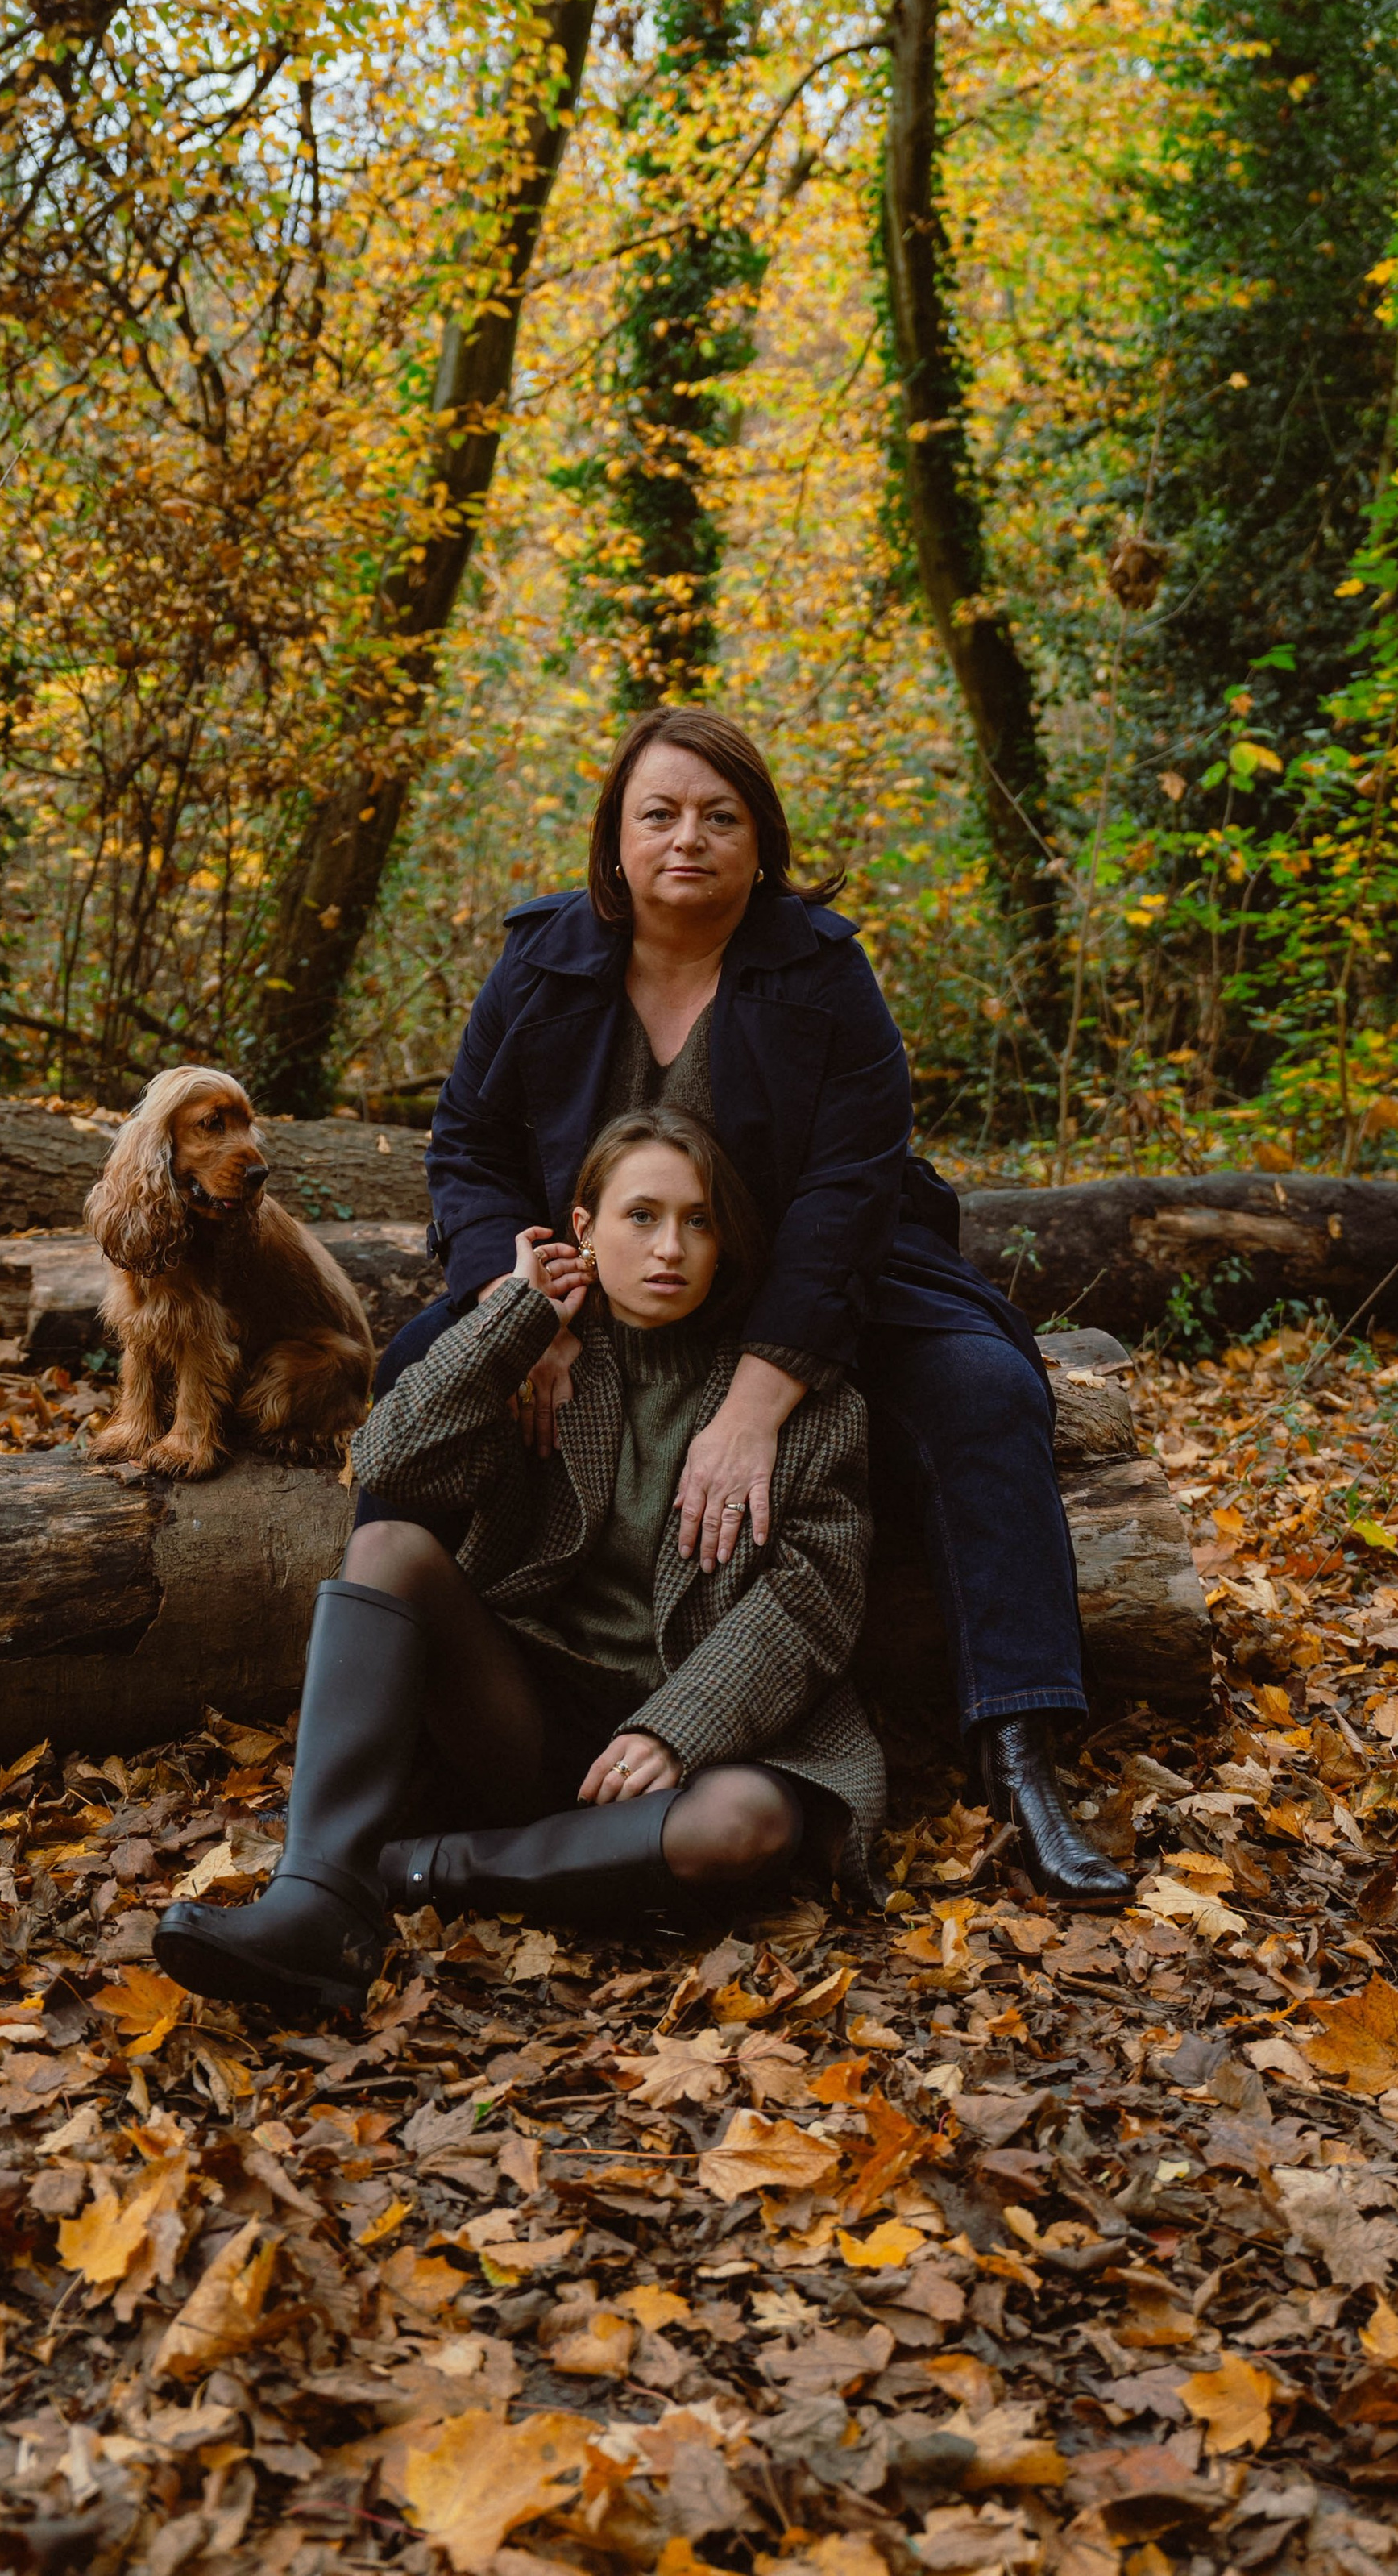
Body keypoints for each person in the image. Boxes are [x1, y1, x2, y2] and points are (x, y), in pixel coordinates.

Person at [356, 705, 1129, 1908]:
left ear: (759, 841)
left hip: (820, 1265)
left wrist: (766, 1392)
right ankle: (406, 1735)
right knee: (418, 1368)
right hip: (598, 1267)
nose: (688, 840)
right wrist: (524, 1311)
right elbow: (468, 1143)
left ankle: (1019, 1746)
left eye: (721, 817)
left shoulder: (819, 971)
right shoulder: (543, 959)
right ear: (615, 840)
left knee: (981, 1390)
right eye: (658, 814)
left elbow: (849, 1189)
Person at [153, 1107, 886, 2023]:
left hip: (704, 1741)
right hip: (528, 1713)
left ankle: (401, 1874)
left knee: (749, 1826)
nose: (671, 1248)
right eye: (641, 1216)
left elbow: (810, 1606)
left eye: (698, 1221)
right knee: (388, 1548)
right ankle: (310, 1898)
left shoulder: (795, 1403)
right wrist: (518, 1321)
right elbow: (386, 1465)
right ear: (582, 1228)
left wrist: (675, 1730)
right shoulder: (536, 1365)